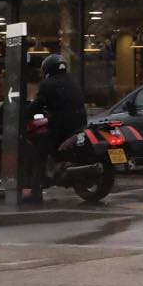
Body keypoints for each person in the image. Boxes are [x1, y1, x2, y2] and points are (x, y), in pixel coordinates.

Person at [25, 53, 87, 201]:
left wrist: (24, 114)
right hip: (79, 125)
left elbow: (37, 104)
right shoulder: (73, 81)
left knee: (39, 152)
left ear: (47, 69)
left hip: (61, 127)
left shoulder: (48, 84)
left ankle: (36, 191)